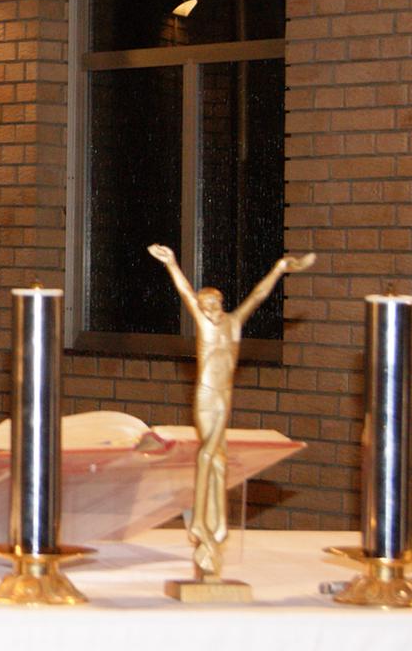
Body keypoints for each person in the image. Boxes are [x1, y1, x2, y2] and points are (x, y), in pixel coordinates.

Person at [147, 243, 314, 578]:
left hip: (225, 395)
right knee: (208, 454)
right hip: (207, 396)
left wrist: (279, 269)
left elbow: (258, 296)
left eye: (212, 304)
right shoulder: (204, 325)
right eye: (204, 306)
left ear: (220, 304)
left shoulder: (233, 324)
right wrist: (172, 264)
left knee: (219, 458)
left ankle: (216, 525)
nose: (208, 310)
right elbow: (185, 293)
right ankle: (202, 524)